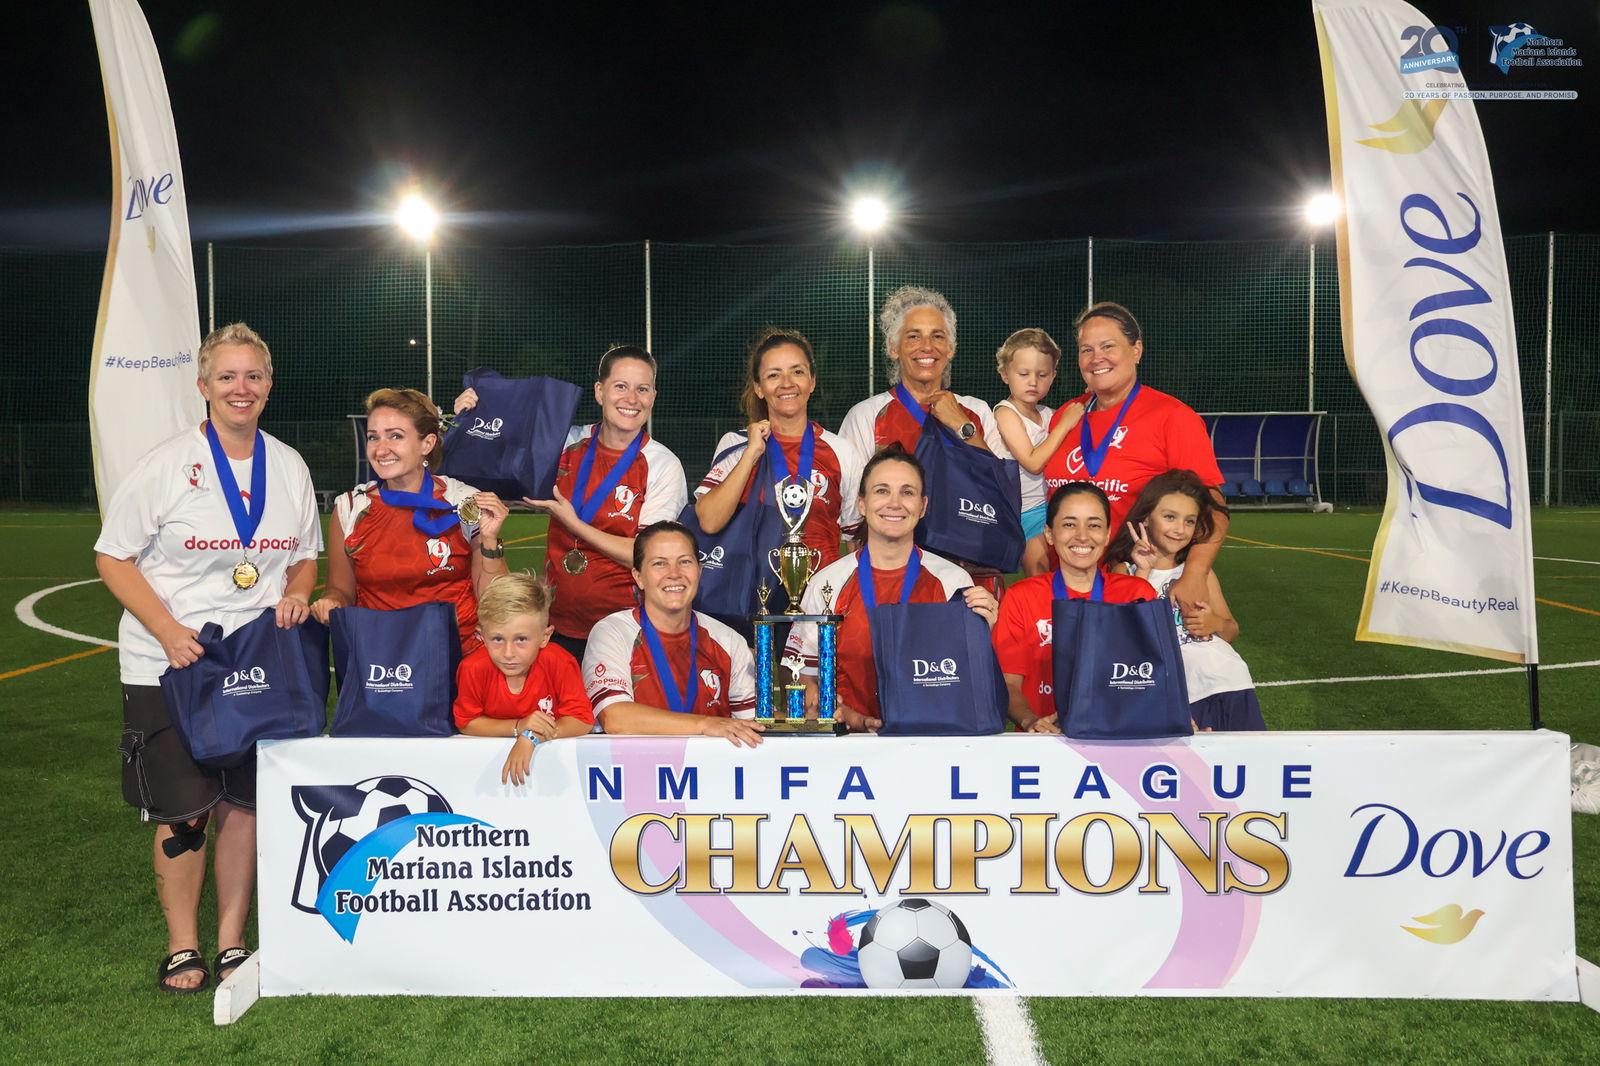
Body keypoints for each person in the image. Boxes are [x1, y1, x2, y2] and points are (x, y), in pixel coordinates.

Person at [94, 323, 321, 993]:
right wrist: (165, 629)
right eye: (227, 376)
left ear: (269, 385)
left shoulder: (289, 465)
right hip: (173, 663)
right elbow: (112, 555)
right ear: (203, 387)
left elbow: (305, 554)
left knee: (244, 806)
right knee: (185, 809)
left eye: (253, 375)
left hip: (255, 664)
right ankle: (181, 945)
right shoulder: (167, 464)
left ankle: (229, 941)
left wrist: (299, 595)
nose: (241, 388)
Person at [459, 346, 687, 662]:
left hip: (627, 628)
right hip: (556, 622)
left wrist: (574, 523)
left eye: (642, 389)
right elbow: (494, 460)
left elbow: (650, 555)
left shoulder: (662, 464)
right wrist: (470, 417)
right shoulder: (565, 445)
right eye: (620, 386)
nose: (631, 399)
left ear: (653, 396)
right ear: (599, 391)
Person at [1029, 301, 1228, 617]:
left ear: (1136, 350)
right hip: (1065, 587)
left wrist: (1195, 575)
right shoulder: (1066, 417)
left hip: (1136, 583)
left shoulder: (1173, 417)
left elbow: (1213, 505)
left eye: (1108, 346)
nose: (1097, 358)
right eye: (1086, 350)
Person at [786, 447, 999, 732]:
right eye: (882, 491)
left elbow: (968, 681)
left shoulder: (952, 581)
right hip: (848, 742)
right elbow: (803, 675)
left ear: (923, 506)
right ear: (861, 503)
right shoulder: (828, 583)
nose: (895, 503)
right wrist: (835, 709)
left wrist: (984, 634)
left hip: (930, 739)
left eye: (907, 492)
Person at [311, 388, 510, 653]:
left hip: (458, 659)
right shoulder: (350, 508)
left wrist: (489, 540)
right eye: (373, 437)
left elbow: (496, 600)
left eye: (396, 436)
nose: (381, 449)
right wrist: (331, 601)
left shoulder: (463, 501)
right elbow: (340, 590)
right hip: (386, 665)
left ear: (426, 444)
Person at [1105, 470, 1265, 731]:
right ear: (1146, 517)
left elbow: (1231, 629)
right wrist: (1144, 570)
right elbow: (1126, 635)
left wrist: (1212, 623)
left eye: (1189, 521)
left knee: (1245, 767)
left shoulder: (1198, 572)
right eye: (1170, 517)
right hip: (1178, 692)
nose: (1180, 529)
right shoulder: (1125, 571)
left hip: (1231, 682)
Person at [992, 482, 1157, 733]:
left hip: (1120, 736)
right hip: (1044, 741)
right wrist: (1030, 721)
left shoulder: (1137, 593)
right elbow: (1008, 683)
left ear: (1108, 534)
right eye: (1069, 524)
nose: (1082, 536)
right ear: (1049, 533)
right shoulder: (1022, 597)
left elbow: (1156, 677)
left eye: (1094, 525)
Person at [584, 521, 763, 745]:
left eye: (685, 562)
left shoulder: (728, 641)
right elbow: (615, 719)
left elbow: (752, 726)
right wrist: (704, 724)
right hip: (630, 773)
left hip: (709, 772)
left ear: (699, 571)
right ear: (638, 577)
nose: (674, 574)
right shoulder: (613, 633)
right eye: (659, 564)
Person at [695, 328, 863, 565]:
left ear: (812, 381)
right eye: (774, 375)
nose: (787, 383)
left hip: (821, 596)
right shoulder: (737, 444)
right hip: (755, 596)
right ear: (759, 388)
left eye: (797, 372)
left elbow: (855, 539)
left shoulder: (842, 450)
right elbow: (709, 521)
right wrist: (751, 454)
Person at [454, 573, 594, 786]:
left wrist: (531, 736)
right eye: (497, 639)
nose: (508, 653)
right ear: (481, 635)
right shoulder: (473, 668)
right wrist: (519, 726)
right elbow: (467, 723)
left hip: (554, 779)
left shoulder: (559, 662)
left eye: (521, 639)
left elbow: (581, 721)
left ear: (545, 636)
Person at [989, 328, 1085, 542]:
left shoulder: (1049, 414)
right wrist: (1064, 425)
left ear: (1053, 376)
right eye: (1024, 374)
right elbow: (1033, 462)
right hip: (1022, 511)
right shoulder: (1006, 413)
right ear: (1005, 374)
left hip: (1050, 504)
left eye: (1042, 375)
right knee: (1038, 569)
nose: (1033, 381)